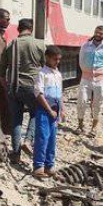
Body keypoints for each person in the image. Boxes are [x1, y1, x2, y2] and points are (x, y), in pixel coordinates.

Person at [1, 18, 48, 166]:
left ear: (18, 29)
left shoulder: (11, 45)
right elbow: (46, 67)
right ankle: (28, 140)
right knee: (37, 112)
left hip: (14, 87)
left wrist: (7, 86)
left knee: (16, 120)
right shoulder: (39, 44)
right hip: (32, 87)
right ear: (31, 29)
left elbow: (1, 70)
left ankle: (15, 154)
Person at [33, 46, 64, 179]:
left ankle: (49, 165)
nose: (57, 62)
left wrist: (62, 109)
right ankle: (38, 166)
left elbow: (60, 93)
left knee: (52, 139)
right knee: (42, 137)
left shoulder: (58, 74)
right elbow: (39, 94)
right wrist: (49, 110)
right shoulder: (42, 73)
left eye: (59, 59)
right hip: (44, 110)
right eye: (55, 59)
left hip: (55, 111)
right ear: (47, 58)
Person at [78, 26, 103, 135]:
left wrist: (100, 72)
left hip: (100, 80)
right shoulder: (85, 46)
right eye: (96, 32)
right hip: (86, 78)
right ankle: (80, 126)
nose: (98, 35)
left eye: (100, 33)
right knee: (82, 101)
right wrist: (87, 71)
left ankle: (93, 128)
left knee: (98, 103)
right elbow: (81, 61)